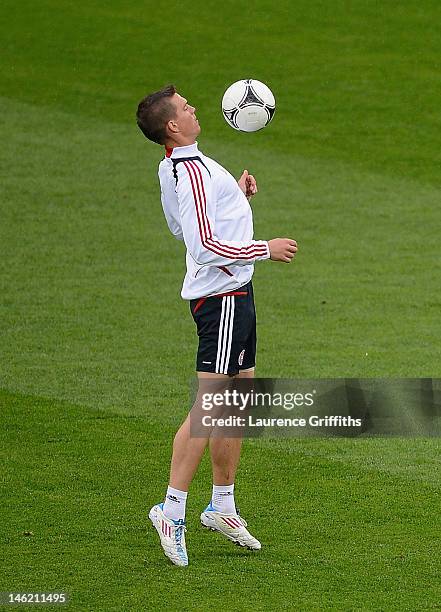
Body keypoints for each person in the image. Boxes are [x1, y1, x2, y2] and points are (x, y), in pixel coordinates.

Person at [136, 84, 297, 566]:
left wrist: (238, 203)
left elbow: (182, 227)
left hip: (235, 295)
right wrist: (263, 248)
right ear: (171, 125)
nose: (194, 109)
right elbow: (203, 247)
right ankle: (171, 509)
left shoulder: (176, 166)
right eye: (186, 108)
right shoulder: (190, 173)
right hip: (222, 298)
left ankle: (221, 506)